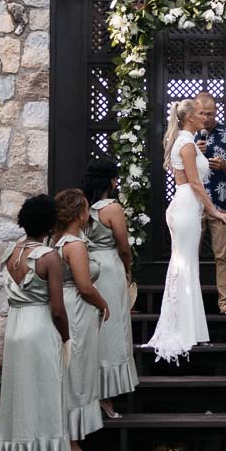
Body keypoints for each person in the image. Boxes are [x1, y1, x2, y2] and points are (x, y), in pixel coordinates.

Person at [0, 194, 73, 451]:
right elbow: (57, 308)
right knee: (42, 406)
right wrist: (66, 337)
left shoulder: (10, 252)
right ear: (50, 223)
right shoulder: (50, 257)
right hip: (40, 331)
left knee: (18, 405)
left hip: (15, 330)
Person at [143, 97, 226, 362]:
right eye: (200, 114)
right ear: (190, 118)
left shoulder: (185, 140)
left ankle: (191, 328)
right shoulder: (187, 143)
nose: (205, 117)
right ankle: (181, 328)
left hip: (187, 207)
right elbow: (194, 183)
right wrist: (213, 210)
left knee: (187, 265)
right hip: (186, 206)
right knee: (184, 265)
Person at [52, 189, 108, 451]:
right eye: (86, 209)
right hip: (77, 309)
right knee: (76, 375)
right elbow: (85, 286)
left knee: (72, 372)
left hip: (68, 306)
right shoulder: (75, 245)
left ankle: (69, 440)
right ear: (80, 214)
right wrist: (102, 304)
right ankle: (71, 444)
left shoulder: (57, 241)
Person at [81, 158, 137, 413]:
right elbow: (123, 246)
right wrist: (127, 269)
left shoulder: (82, 207)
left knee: (95, 328)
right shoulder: (112, 208)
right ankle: (107, 394)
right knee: (113, 327)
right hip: (109, 267)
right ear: (112, 181)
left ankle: (93, 389)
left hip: (87, 267)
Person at [191, 91, 226, 316]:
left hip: (221, 204)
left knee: (223, 256)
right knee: (189, 253)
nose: (207, 118)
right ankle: (190, 304)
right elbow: (174, 166)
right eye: (202, 113)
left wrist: (223, 165)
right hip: (193, 204)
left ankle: (225, 303)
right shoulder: (188, 134)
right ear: (195, 112)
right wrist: (196, 153)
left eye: (211, 113)